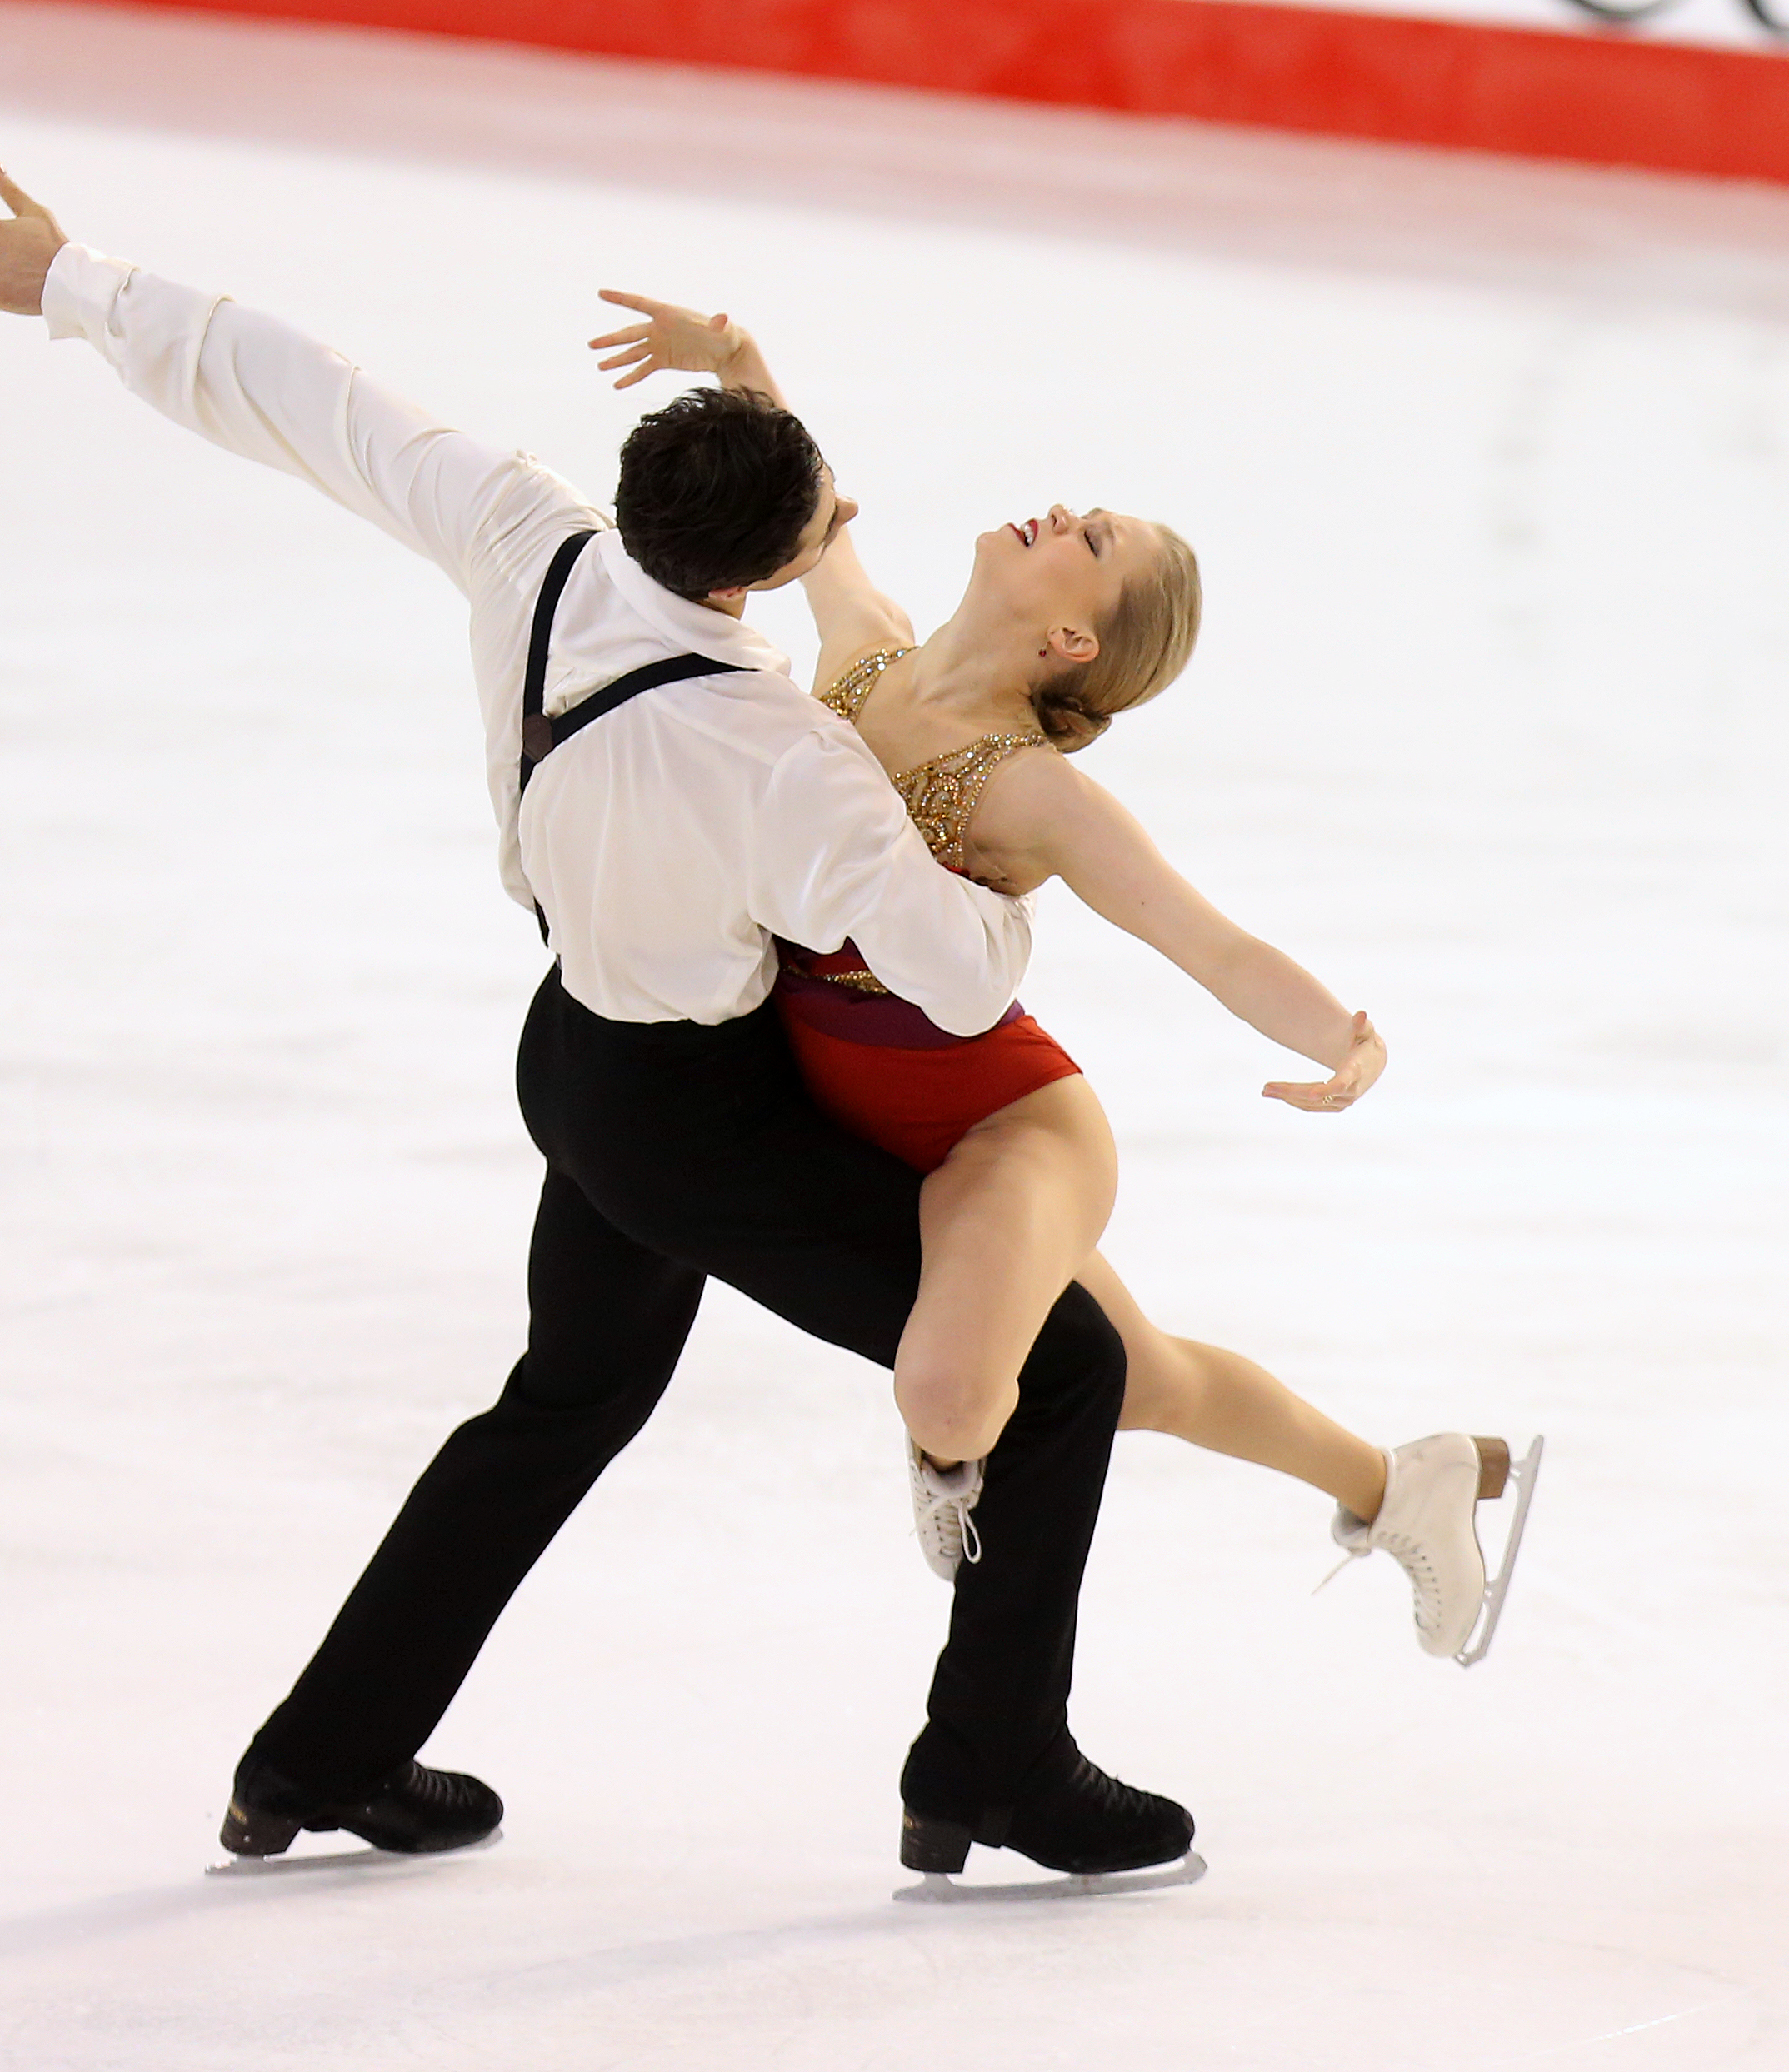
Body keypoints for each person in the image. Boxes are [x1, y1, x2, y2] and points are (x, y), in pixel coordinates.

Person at [0, 167, 1195, 1881]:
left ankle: (320, 1756)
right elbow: (959, 980)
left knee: (565, 1397)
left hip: (572, 1059)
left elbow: (302, 390)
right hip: (699, 1119)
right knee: (1070, 1363)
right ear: (778, 562)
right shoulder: (782, 754)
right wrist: (1014, 880)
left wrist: (76, 281)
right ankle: (993, 1765)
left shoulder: (533, 536)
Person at [590, 293, 1539, 1662]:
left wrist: (1345, 1038)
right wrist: (737, 362)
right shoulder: (862, 652)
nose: (1057, 515)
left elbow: (1202, 936)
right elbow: (809, 512)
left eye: (1089, 541)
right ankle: (1402, 1482)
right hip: (841, 1110)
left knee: (952, 1397)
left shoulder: (1035, 792)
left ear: (1074, 643)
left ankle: (968, 1507)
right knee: (1140, 1379)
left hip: (999, 1126)